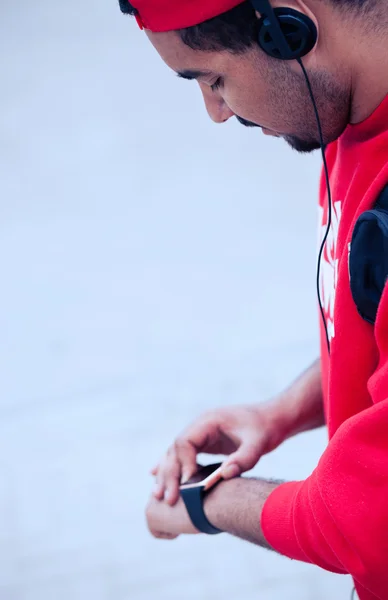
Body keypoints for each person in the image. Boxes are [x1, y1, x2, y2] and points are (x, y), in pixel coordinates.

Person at [118, 0, 388, 598]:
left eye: (212, 79)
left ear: (289, 28)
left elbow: (366, 523)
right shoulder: (354, 121)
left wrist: (204, 503)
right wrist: (280, 412)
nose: (215, 113)